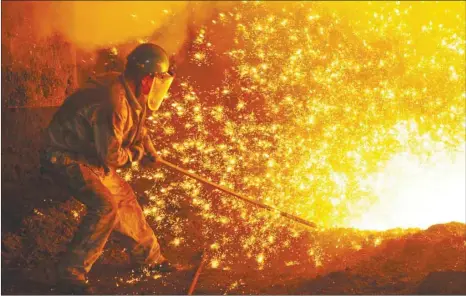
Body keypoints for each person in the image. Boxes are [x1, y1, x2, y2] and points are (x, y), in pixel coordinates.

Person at [40, 43, 176, 294]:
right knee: (105, 206)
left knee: (125, 199)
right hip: (65, 156)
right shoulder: (113, 102)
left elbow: (138, 127)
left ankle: (150, 260)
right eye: (157, 79)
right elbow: (113, 156)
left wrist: (149, 148)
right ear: (147, 78)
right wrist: (138, 154)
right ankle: (70, 275)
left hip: (91, 157)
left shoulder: (132, 91)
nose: (158, 86)